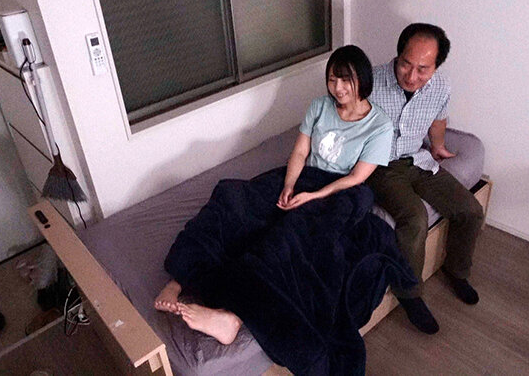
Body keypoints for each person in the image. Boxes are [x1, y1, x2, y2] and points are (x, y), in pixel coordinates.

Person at [154, 45, 397, 345]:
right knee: (232, 201)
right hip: (304, 175)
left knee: (287, 237)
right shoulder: (320, 106)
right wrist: (289, 186)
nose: (338, 88)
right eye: (333, 79)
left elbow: (357, 177)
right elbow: (300, 151)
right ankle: (179, 280)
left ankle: (233, 316)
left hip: (341, 191)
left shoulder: (380, 126)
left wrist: (312, 197)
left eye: (346, 80)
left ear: (362, 79)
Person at [367, 23, 485, 335]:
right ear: (397, 55)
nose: (411, 75)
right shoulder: (370, 82)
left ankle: (456, 270)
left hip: (418, 160)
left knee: (471, 211)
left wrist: (438, 147)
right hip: (379, 166)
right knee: (415, 218)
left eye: (423, 69)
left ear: (435, 66)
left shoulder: (440, 87)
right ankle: (409, 293)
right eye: (406, 64)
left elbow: (438, 120)